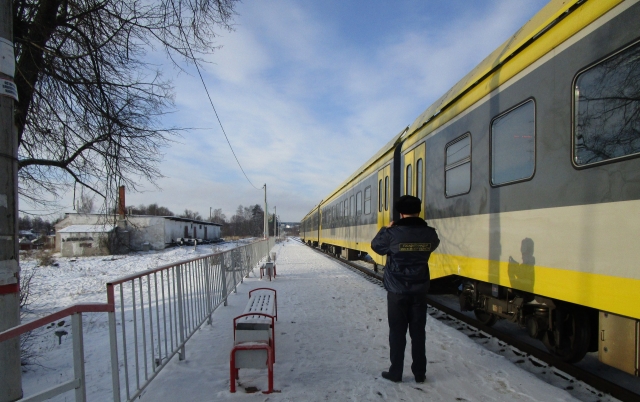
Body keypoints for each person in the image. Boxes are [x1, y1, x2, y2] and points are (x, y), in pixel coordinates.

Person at [371, 195, 440, 383]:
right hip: (419, 290)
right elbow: (433, 245)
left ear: (401, 213)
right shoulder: (430, 234)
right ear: (418, 211)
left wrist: (387, 229)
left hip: (397, 291)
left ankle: (396, 372)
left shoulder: (392, 234)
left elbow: (376, 246)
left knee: (397, 332)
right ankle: (419, 373)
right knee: (418, 333)